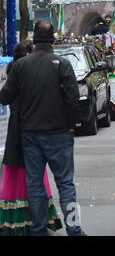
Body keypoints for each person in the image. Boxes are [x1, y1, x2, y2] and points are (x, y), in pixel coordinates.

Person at [0, 21, 84, 236]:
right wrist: (70, 125)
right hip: (60, 133)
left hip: (30, 134)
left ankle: (37, 229)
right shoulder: (62, 64)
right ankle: (74, 228)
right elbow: (73, 98)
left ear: (34, 40)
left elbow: (6, 96)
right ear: (53, 40)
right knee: (66, 184)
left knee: (34, 185)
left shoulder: (21, 66)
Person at [0, 41, 63, 236]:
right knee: (30, 175)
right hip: (26, 131)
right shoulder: (25, 73)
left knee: (25, 174)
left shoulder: (18, 72)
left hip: (21, 130)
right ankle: (32, 219)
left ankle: (28, 219)